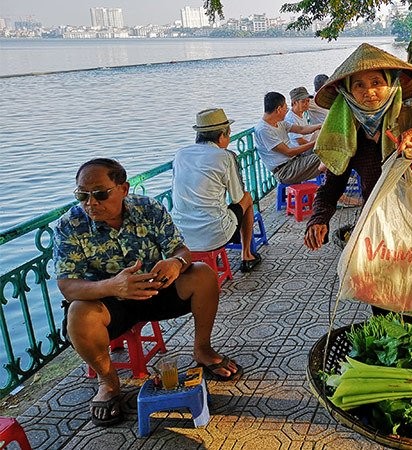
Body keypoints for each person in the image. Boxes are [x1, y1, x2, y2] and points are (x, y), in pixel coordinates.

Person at [54, 158, 242, 427]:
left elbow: (182, 251)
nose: (91, 203)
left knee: (202, 274)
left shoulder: (148, 208)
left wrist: (175, 263)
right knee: (78, 312)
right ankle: (108, 382)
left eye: (100, 194)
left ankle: (202, 350)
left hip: (155, 289)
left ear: (123, 189)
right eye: (82, 195)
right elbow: (67, 285)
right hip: (108, 303)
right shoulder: (68, 225)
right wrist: (113, 286)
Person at [304, 44, 412, 321]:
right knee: (382, 302)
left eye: (377, 82)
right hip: (378, 228)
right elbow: (332, 185)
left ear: (392, 85)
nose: (369, 91)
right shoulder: (350, 135)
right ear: (347, 92)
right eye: (359, 85)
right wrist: (319, 218)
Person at [171, 108, 262, 272]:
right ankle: (247, 255)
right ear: (221, 136)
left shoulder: (180, 154)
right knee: (247, 198)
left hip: (180, 234)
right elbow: (237, 197)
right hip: (214, 234)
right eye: (228, 135)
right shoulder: (225, 156)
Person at [255, 91, 323, 185]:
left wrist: (321, 125)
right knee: (326, 157)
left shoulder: (280, 122)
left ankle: (330, 188)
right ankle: (328, 193)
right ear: (278, 109)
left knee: (329, 154)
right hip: (285, 171)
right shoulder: (263, 130)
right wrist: (315, 142)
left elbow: (301, 129)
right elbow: (289, 152)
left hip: (296, 161)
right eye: (285, 108)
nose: (287, 111)